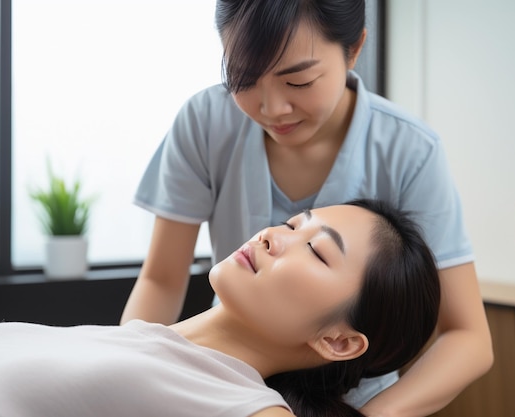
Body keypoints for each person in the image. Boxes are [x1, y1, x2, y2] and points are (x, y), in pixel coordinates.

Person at [122, 0, 493, 415]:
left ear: (354, 50)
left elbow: (468, 337)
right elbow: (161, 279)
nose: (271, 108)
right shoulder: (206, 121)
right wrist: (130, 368)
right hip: (223, 378)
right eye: (242, 78)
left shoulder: (409, 150)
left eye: (298, 82)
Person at [0, 200, 440, 417]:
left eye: (316, 250)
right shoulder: (140, 340)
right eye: (291, 224)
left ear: (339, 341)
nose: (273, 237)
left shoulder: (245, 406)